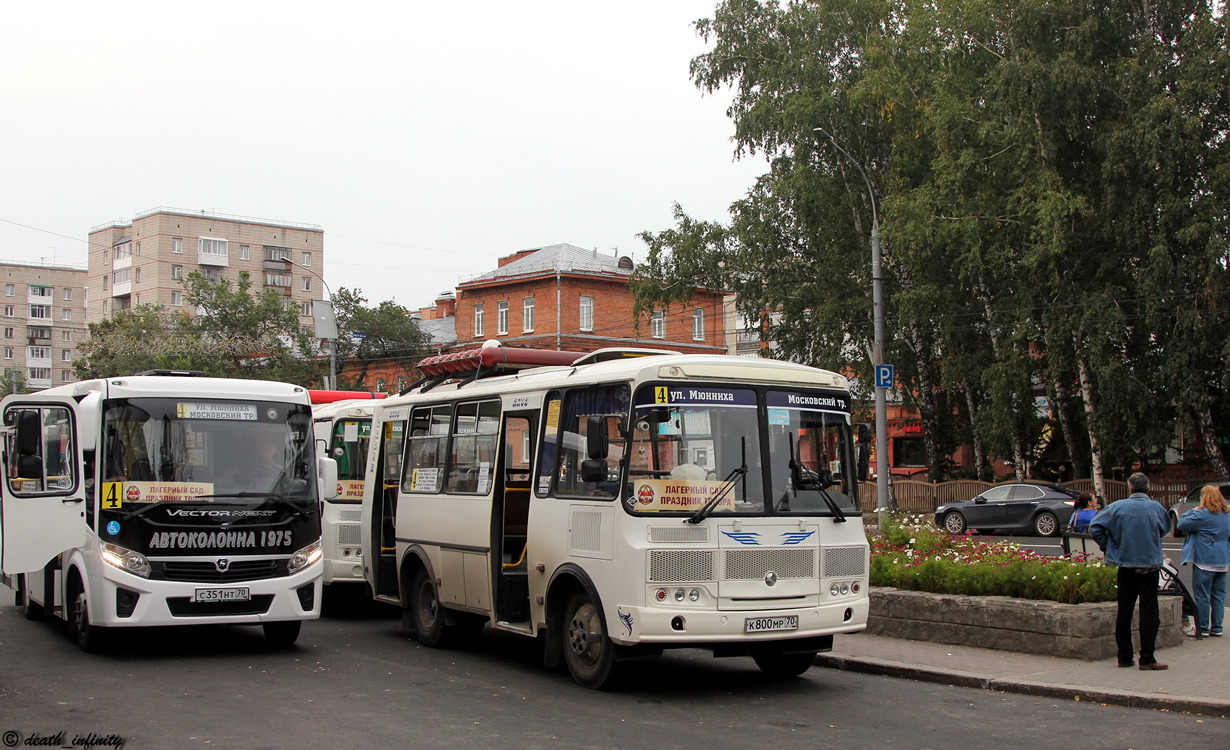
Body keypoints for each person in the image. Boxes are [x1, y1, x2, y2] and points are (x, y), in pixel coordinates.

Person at [1089, 472, 1172, 670]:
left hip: (1125, 565)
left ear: (1130, 489)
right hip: (1149, 566)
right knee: (1149, 613)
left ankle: (1124, 657)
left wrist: (1108, 547)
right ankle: (1147, 658)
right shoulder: (1156, 508)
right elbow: (1165, 528)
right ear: (1148, 489)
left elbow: (1095, 527)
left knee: (1124, 612)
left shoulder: (1117, 507)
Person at [1176, 484, 1230, 638]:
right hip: (1222, 559)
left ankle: (1203, 627)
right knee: (1218, 595)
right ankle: (1217, 627)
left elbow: (1181, 524)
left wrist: (1194, 509)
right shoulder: (1227, 515)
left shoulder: (1202, 515)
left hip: (1204, 559)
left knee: (1202, 596)